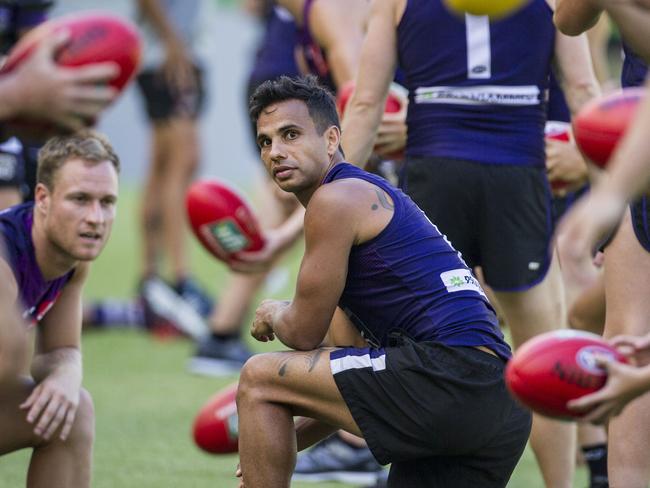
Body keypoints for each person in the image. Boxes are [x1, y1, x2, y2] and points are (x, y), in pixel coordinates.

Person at [339, 1, 599, 486]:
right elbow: (585, 91)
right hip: (514, 178)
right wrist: (601, 182)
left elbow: (366, 105)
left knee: (422, 342)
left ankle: (411, 467)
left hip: (435, 173)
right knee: (543, 352)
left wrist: (332, 193)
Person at [234, 75, 531, 488]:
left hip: (449, 377)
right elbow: (350, 359)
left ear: (332, 138)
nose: (276, 152)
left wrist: (273, 312)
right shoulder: (363, 199)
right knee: (270, 387)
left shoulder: (335, 200)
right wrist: (279, 434)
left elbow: (302, 332)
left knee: (258, 376)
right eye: (265, 142)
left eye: (290, 134)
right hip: (498, 400)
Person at [555, 1, 650, 486]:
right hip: (636, 146)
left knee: (627, 338)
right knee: (626, 340)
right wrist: (609, 196)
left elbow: (570, 18)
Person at [0, 130, 119, 488]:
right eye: (80, 199)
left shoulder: (70, 260)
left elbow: (58, 351)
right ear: (43, 198)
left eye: (107, 201)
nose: (96, 218)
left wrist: (67, 372)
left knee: (73, 409)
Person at [135, 0, 213, 328]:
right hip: (171, 58)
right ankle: (181, 281)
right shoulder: (173, 49)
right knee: (182, 165)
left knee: (162, 166)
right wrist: (175, 46)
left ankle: (150, 280)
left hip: (163, 56)